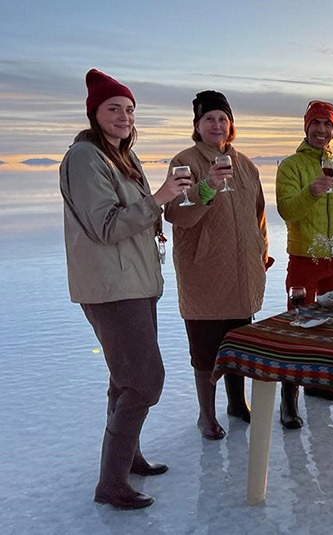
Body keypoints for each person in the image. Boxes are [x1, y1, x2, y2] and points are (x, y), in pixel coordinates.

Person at [60, 69, 192, 509]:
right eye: (113, 108)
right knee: (145, 382)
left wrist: (161, 204)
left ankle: (128, 459)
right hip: (111, 287)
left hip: (135, 282)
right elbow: (106, 225)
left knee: (125, 378)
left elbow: (135, 218)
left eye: (130, 109)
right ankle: (111, 483)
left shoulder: (122, 157)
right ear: (94, 113)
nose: (124, 116)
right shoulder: (84, 157)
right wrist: (160, 197)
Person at [164, 90, 271, 440]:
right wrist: (207, 186)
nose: (216, 124)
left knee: (238, 343)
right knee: (206, 351)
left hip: (242, 270)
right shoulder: (185, 162)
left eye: (222, 118)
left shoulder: (247, 165)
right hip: (204, 271)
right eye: (208, 118)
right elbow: (177, 215)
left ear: (231, 125)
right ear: (197, 125)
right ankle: (206, 415)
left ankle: (237, 403)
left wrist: (262, 251)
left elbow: (259, 216)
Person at [275, 100, 333, 428]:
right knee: (298, 328)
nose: (321, 130)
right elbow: (287, 211)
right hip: (304, 259)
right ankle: (288, 399)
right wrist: (311, 191)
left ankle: (319, 383)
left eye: (327, 124)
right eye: (316, 123)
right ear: (306, 127)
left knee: (331, 326)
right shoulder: (291, 166)